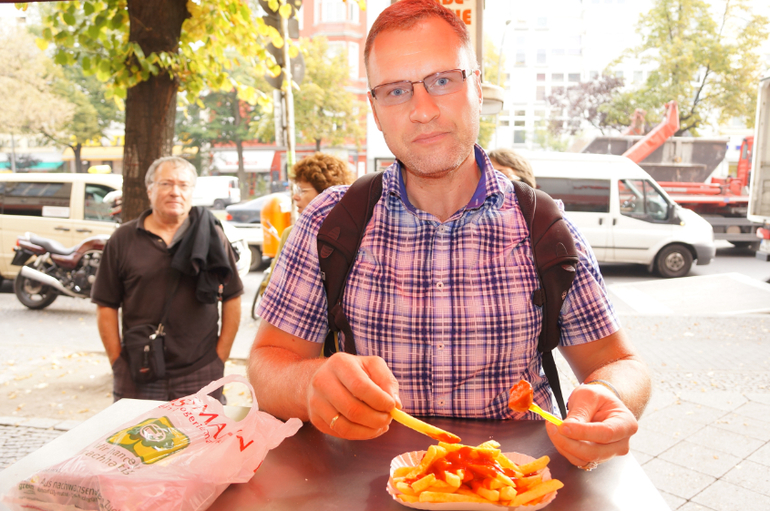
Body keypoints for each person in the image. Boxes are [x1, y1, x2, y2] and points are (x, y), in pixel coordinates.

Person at [249, 0, 650, 472]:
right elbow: (268, 365)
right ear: (375, 110)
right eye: (396, 90)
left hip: (511, 487)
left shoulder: (544, 226)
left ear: (477, 87)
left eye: (442, 81)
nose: (422, 110)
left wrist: (608, 394)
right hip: (370, 488)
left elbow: (618, 362)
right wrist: (308, 385)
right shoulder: (329, 222)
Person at [92, 156, 243, 403]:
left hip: (201, 369)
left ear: (191, 192)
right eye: (166, 184)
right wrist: (118, 362)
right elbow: (106, 304)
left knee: (203, 431)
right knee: (137, 430)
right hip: (139, 368)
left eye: (183, 185)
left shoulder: (212, 236)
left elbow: (232, 297)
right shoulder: (123, 239)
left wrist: (219, 358)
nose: (175, 192)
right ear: (149, 190)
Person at [252, 153, 355, 316]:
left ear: (326, 193)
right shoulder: (290, 233)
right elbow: (268, 290)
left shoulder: (355, 234)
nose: (295, 197)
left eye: (302, 190)